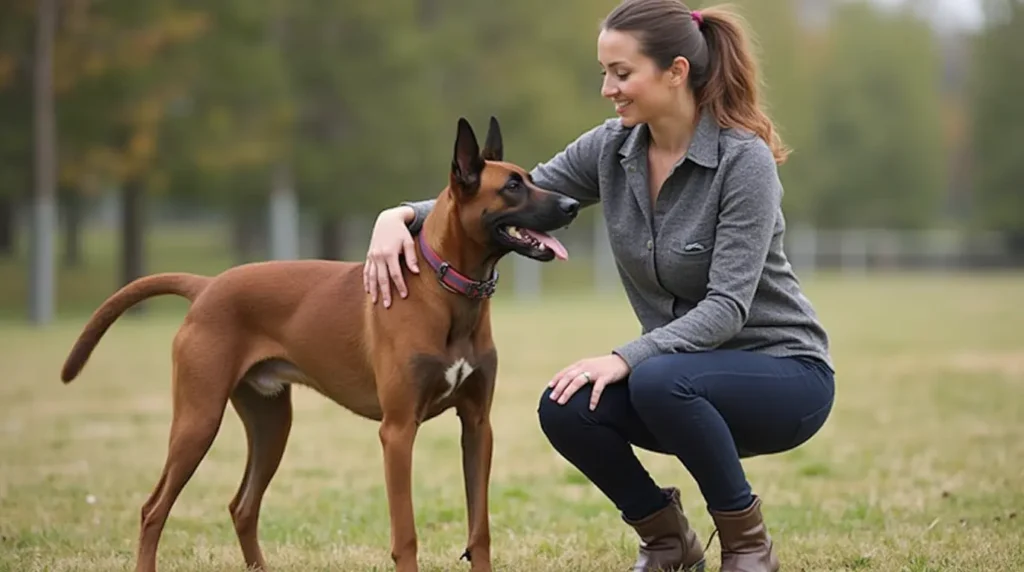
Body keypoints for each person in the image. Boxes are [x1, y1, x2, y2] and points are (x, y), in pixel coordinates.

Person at [361, 1, 835, 570]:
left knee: (655, 379)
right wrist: (400, 216)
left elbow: (728, 308)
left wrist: (624, 358)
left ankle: (747, 547)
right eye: (604, 72)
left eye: (622, 72)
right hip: (677, 381)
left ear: (676, 72)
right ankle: (667, 543)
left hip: (783, 377)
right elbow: (501, 196)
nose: (609, 87)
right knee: (566, 406)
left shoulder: (743, 161)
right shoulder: (612, 148)